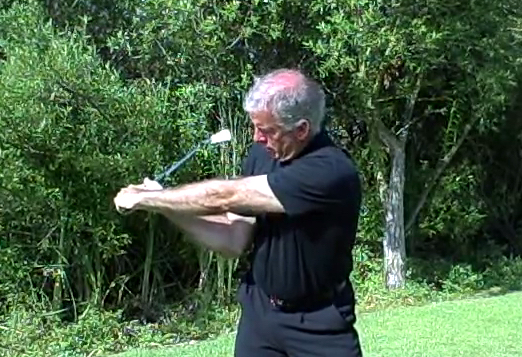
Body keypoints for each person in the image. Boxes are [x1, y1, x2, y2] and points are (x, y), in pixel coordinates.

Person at [114, 68, 364, 357]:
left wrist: (153, 197)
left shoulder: (330, 170)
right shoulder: (263, 154)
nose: (257, 138)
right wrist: (165, 205)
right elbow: (233, 239)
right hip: (260, 315)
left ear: (302, 129)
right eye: (255, 127)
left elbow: (225, 196)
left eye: (268, 130)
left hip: (319, 322)